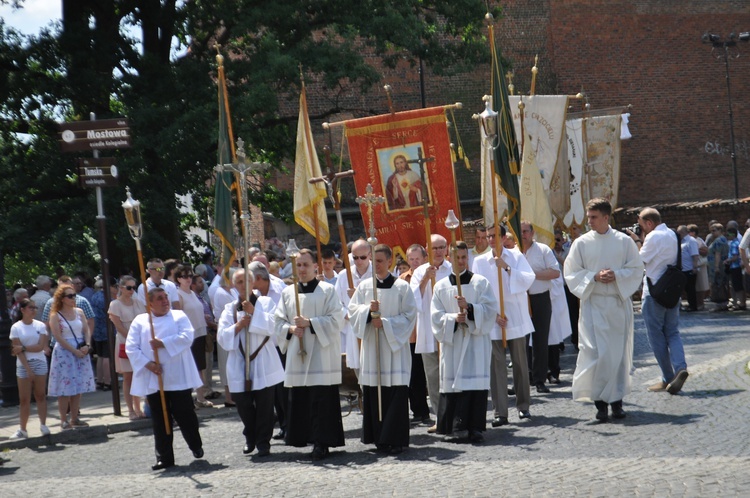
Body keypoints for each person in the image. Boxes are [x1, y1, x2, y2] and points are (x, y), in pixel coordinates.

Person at [565, 198, 643, 421]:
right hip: (593, 304)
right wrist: (593, 277)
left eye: (593, 217)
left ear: (606, 217)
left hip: (617, 305)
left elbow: (636, 269)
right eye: (589, 217)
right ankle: (600, 404)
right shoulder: (581, 243)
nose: (589, 221)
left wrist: (617, 275)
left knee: (616, 355)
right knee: (595, 354)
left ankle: (616, 402)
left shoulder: (623, 241)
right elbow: (571, 272)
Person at [273, 248, 346, 461]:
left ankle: (322, 442)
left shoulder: (327, 291)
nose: (302, 269)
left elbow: (336, 319)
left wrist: (311, 323)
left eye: (306, 264)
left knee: (321, 400)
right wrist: (290, 329)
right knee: (302, 398)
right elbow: (277, 321)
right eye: (298, 265)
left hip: (321, 355)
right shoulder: (288, 293)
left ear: (316, 266)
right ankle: (304, 438)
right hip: (298, 353)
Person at [349, 243, 417, 454]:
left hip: (394, 351)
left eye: (380, 261)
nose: (376, 265)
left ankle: (395, 439)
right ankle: (378, 436)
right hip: (372, 349)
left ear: (390, 261)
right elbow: (352, 310)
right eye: (373, 261)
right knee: (374, 392)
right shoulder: (365, 287)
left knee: (395, 393)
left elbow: (409, 316)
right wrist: (368, 313)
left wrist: (385, 323)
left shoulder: (402, 287)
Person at [126, 287, 204, 471]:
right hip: (155, 377)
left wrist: (163, 343)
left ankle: (195, 444)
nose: (165, 301)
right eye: (160, 298)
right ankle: (164, 457)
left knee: (185, 414)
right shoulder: (141, 321)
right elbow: (131, 347)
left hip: (178, 376)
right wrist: (149, 364)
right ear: (150, 303)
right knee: (160, 419)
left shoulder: (179, 316)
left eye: (166, 297)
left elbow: (186, 337)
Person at [431, 241, 497, 443]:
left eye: (463, 257)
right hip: (453, 343)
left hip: (475, 343)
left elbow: (490, 310)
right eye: (457, 258)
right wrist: (452, 319)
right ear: (449, 258)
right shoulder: (441, 286)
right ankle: (451, 427)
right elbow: (435, 317)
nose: (461, 262)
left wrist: (469, 308)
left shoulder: (480, 283)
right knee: (453, 385)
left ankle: (475, 428)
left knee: (475, 385)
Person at [218, 268, 284, 456]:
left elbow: (274, 326)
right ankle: (250, 434)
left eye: (247, 281)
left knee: (265, 404)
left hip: (263, 358)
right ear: (233, 285)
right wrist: (238, 326)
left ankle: (263, 442)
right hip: (239, 361)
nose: (243, 285)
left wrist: (254, 313)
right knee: (244, 404)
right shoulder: (229, 309)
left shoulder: (266, 302)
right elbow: (222, 337)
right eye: (239, 282)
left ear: (253, 282)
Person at [473, 225, 534, 426]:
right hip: (493, 319)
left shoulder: (515, 257)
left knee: (520, 363)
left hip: (515, 316)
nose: (490, 239)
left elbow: (528, 280)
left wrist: (507, 268)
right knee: (496, 366)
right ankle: (500, 411)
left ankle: (524, 406)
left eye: (493, 236)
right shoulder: (480, 262)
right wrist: (493, 314)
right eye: (487, 236)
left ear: (503, 237)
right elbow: (477, 291)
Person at [627, 207, 689, 395]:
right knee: (672, 331)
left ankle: (667, 377)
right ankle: (680, 367)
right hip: (671, 291)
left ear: (649, 223)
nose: (641, 230)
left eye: (641, 226)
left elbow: (640, 260)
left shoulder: (653, 236)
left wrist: (637, 241)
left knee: (656, 337)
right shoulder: (672, 234)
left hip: (654, 292)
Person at [410, 234, 452, 432]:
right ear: (428, 249)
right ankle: (439, 417)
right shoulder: (419, 272)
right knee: (433, 377)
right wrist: (426, 279)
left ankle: (455, 414)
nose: (438, 251)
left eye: (441, 247)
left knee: (451, 375)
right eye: (434, 248)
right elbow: (412, 301)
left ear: (446, 249)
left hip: (449, 329)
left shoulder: (452, 270)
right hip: (428, 330)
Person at [47, 284, 96, 430]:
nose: (73, 298)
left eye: (74, 295)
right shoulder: (56, 315)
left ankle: (75, 418)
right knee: (64, 388)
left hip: (81, 349)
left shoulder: (79, 312)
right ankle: (63, 420)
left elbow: (86, 330)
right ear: (61, 299)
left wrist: (87, 345)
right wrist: (74, 351)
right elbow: (57, 336)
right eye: (69, 296)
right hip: (64, 352)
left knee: (78, 387)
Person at [520, 221, 560, 393]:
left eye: (526, 231)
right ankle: (523, 378)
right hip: (520, 300)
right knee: (521, 341)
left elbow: (555, 272)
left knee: (540, 340)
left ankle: (539, 379)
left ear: (532, 232)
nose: (523, 235)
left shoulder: (543, 250)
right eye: (520, 231)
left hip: (540, 298)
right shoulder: (513, 252)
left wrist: (531, 276)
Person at [400, 244, 431, 426]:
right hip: (412, 334)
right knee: (414, 375)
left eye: (417, 259)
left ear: (424, 258)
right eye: (410, 259)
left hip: (428, 330)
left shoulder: (432, 274)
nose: (414, 262)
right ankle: (419, 411)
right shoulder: (402, 279)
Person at [9, 298, 50, 438]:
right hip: (23, 365)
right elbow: (17, 350)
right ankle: (23, 429)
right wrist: (28, 369)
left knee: (40, 395)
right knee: (24, 399)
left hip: (39, 361)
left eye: (35, 307)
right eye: (30, 307)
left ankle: (43, 424)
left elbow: (40, 346)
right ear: (23, 310)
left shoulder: (40, 326)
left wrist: (24, 347)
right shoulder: (16, 327)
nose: (34, 310)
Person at [109, 276, 147, 420]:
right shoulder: (115, 305)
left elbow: (144, 322)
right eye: (129, 287)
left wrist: (140, 340)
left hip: (139, 342)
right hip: (125, 341)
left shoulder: (138, 303)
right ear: (121, 288)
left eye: (133, 287)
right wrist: (133, 340)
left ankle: (138, 408)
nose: (132, 290)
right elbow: (118, 326)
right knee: (128, 376)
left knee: (138, 374)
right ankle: (130, 409)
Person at [174, 264, 211, 408]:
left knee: (200, 367)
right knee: (189, 367)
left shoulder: (193, 293)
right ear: (178, 279)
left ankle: (200, 397)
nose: (188, 279)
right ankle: (190, 399)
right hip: (189, 336)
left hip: (200, 333)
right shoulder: (178, 294)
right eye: (184, 276)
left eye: (190, 276)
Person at [333, 239, 373, 376]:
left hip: (372, 327)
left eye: (363, 257)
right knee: (359, 371)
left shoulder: (376, 273)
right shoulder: (344, 275)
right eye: (355, 257)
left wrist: (358, 296)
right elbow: (336, 303)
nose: (359, 261)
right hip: (353, 327)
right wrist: (348, 314)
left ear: (370, 255)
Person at [90, 277, 116, 391]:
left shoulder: (94, 297)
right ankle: (108, 381)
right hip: (107, 330)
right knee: (107, 357)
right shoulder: (107, 298)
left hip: (97, 330)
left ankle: (100, 380)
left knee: (100, 356)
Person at [677, 225, 701, 312]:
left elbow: (695, 255)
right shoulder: (681, 241)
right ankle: (688, 304)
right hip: (683, 269)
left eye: (679, 233)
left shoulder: (691, 241)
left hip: (690, 269)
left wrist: (694, 267)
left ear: (683, 232)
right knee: (685, 289)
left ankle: (693, 306)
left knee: (690, 289)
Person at [707, 224, 730, 312]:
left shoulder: (719, 241)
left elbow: (718, 254)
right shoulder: (723, 239)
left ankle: (720, 304)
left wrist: (716, 266)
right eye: (711, 231)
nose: (712, 233)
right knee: (721, 284)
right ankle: (723, 304)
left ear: (720, 230)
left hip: (718, 266)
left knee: (718, 285)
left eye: (714, 230)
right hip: (722, 266)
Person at [726, 228, 746, 310]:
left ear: (733, 235)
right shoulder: (734, 243)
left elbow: (735, 256)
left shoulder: (734, 244)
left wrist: (728, 260)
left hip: (735, 267)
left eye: (728, 234)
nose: (727, 236)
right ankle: (738, 302)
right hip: (734, 267)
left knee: (737, 286)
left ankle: (740, 303)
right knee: (735, 286)